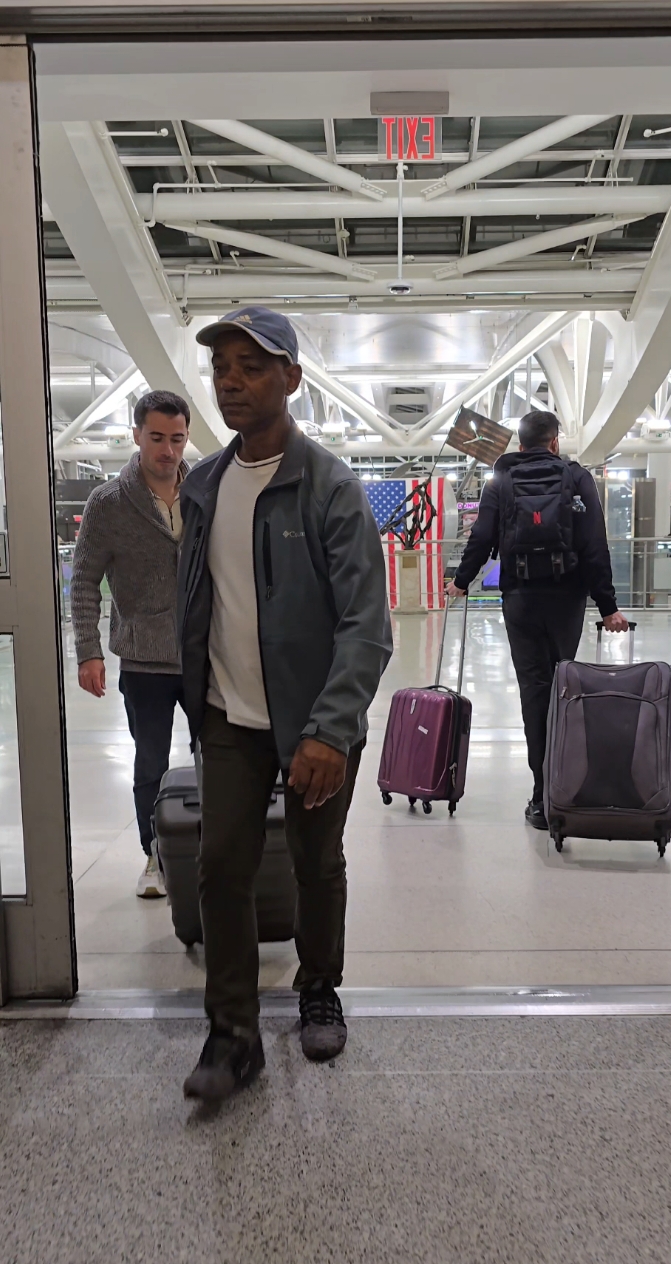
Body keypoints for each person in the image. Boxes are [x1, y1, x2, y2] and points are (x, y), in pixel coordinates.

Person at [179, 306, 392, 1102]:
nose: (231, 380)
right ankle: (232, 1034)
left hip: (315, 723)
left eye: (252, 365)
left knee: (314, 861)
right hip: (229, 716)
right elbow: (196, 599)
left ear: (292, 379)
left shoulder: (328, 486)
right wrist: (191, 700)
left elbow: (366, 624)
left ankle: (318, 988)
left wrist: (332, 730)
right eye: (222, 366)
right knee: (220, 867)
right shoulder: (203, 485)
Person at [447, 410, 627, 828]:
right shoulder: (577, 478)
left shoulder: (502, 480)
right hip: (567, 598)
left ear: (520, 443)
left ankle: (540, 797)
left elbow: (481, 536)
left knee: (534, 690)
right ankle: (565, 787)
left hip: (521, 598)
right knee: (563, 685)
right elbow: (594, 544)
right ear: (554, 441)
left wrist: (461, 580)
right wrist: (608, 606)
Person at [72, 390, 190, 897]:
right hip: (144, 660)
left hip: (206, 653)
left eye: (178, 439)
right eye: (158, 438)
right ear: (137, 434)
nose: (168, 450)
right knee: (150, 764)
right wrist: (88, 650)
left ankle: (216, 853)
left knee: (225, 759)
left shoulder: (204, 489)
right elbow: (82, 580)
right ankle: (155, 855)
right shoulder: (109, 503)